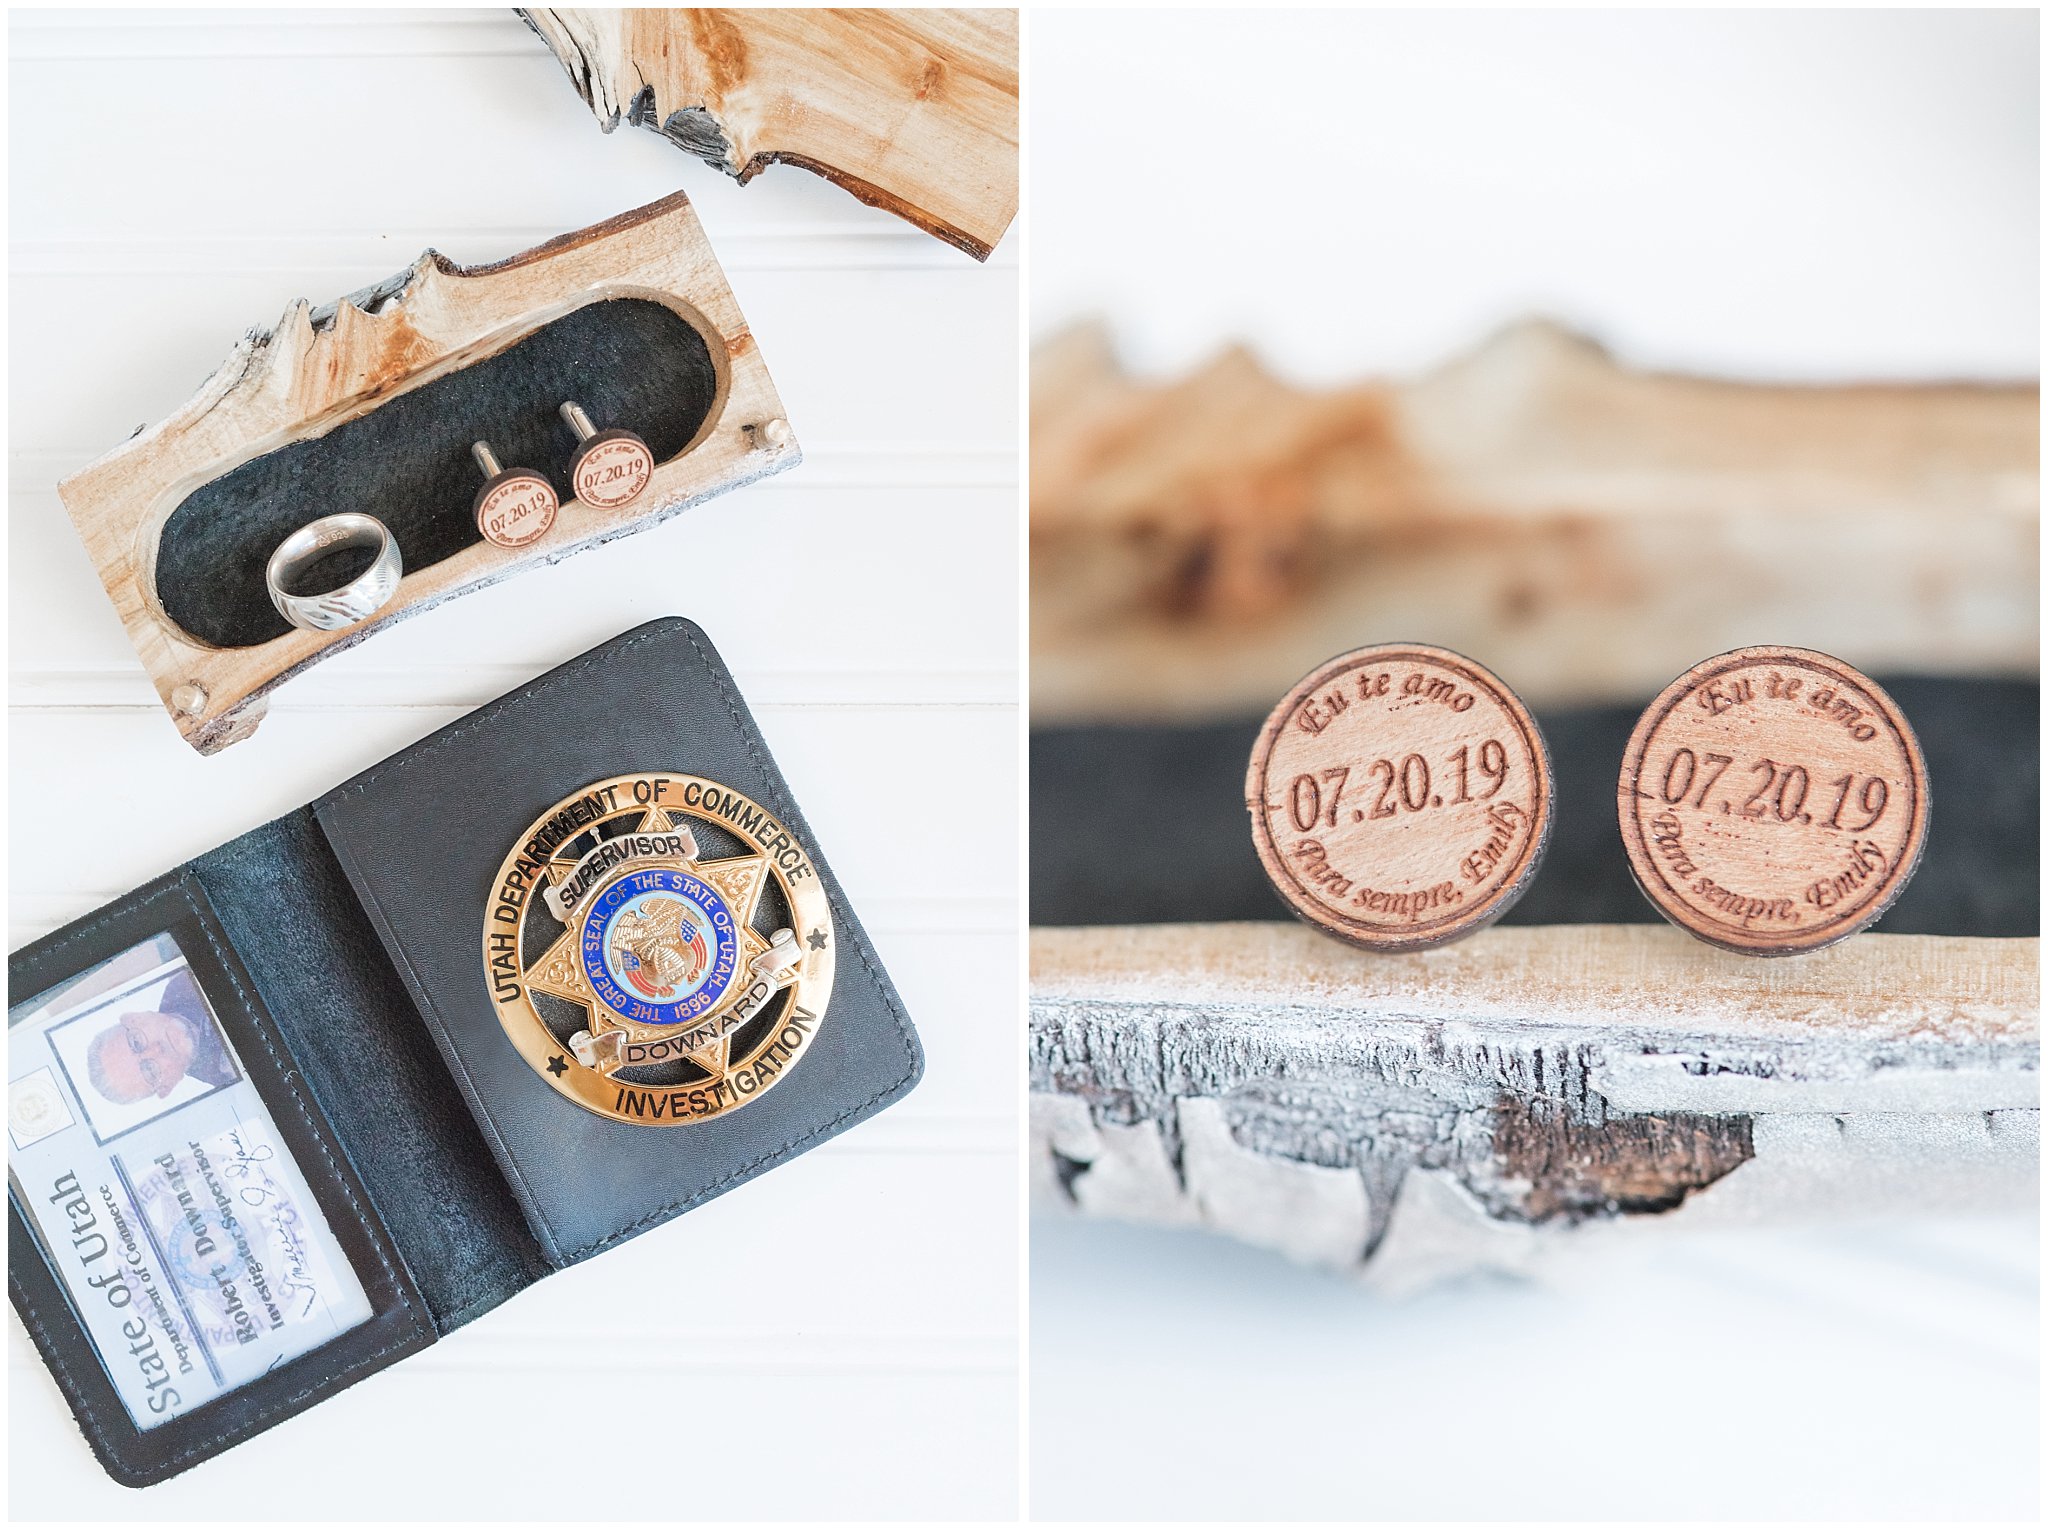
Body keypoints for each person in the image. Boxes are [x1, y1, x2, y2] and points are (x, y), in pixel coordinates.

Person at [83, 970, 236, 1105]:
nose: (156, 1050)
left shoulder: (183, 968)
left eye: (136, 1042)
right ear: (167, 1087)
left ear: (135, 1017)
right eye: (150, 1071)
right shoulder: (233, 1075)